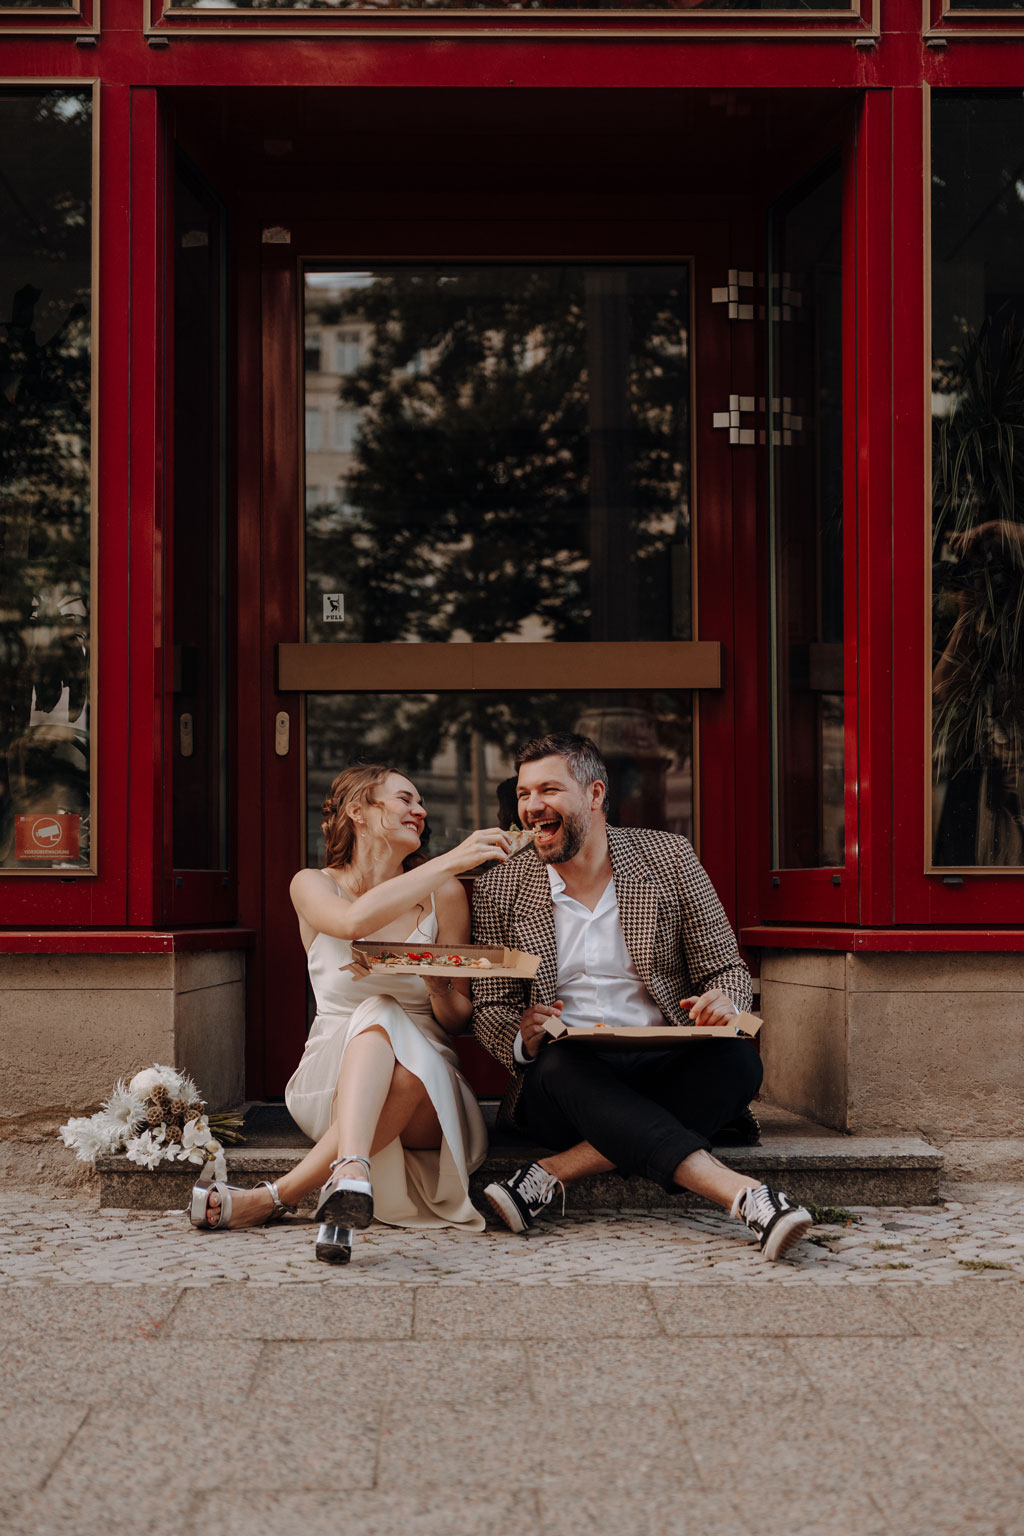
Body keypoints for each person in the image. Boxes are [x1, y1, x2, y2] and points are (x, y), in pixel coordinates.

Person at [472, 732, 814, 1262]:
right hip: (565, 1081)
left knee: (738, 1063)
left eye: (548, 790)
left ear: (594, 793)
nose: (532, 807)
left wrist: (724, 999)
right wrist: (520, 1037)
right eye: (523, 794)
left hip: (661, 1058)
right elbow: (489, 1005)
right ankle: (746, 1197)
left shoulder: (668, 858)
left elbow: (725, 966)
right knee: (562, 1067)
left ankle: (551, 1174)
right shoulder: (501, 886)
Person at [190, 763, 511, 1264]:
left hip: (430, 1093)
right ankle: (341, 1174)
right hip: (331, 1082)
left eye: (421, 802)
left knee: (401, 1055)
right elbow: (353, 921)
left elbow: (455, 1019)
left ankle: (307, 1188)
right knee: (377, 1010)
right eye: (405, 799)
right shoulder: (313, 885)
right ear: (358, 810)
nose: (420, 811)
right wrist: (451, 859)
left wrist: (438, 984)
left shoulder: (444, 895)